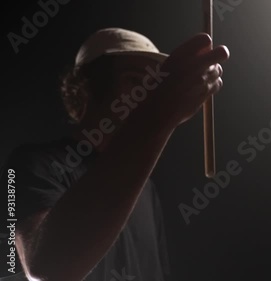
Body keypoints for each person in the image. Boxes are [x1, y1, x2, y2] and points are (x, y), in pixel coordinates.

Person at [0, 27, 230, 281]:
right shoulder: (32, 164)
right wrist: (161, 114)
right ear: (84, 87)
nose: (148, 95)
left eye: (154, 85)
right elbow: (46, 268)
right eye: (134, 80)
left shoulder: (146, 188)